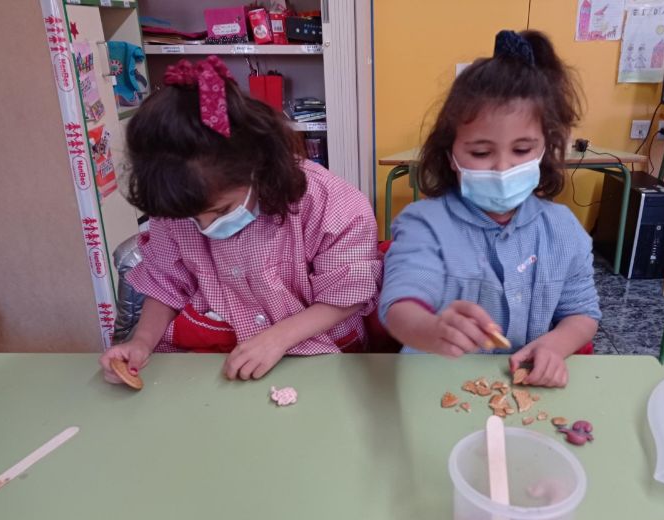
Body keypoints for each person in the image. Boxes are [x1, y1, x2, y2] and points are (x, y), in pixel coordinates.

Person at [99, 56, 381, 383]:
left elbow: (348, 293)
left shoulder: (330, 202)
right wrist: (141, 342)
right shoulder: (176, 202)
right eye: (192, 218)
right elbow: (165, 285)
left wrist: (277, 339)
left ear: (256, 165)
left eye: (221, 211)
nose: (206, 228)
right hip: (217, 347)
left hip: (318, 349)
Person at [379, 30, 600, 388]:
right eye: (481, 153)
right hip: (434, 387)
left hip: (525, 390)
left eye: (522, 150)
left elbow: (582, 313)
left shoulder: (563, 229)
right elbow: (400, 306)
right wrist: (431, 329)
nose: (502, 167)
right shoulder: (425, 225)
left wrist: (555, 345)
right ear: (450, 155)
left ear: (545, 149)